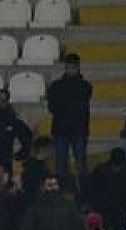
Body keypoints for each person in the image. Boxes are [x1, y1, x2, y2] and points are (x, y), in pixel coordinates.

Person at [46, 53, 92, 182]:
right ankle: (62, 189)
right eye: (68, 67)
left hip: (78, 129)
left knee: (80, 164)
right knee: (61, 165)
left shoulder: (85, 86)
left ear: (78, 67)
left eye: (73, 67)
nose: (70, 70)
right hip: (62, 129)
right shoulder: (56, 86)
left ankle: (83, 189)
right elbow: (52, 107)